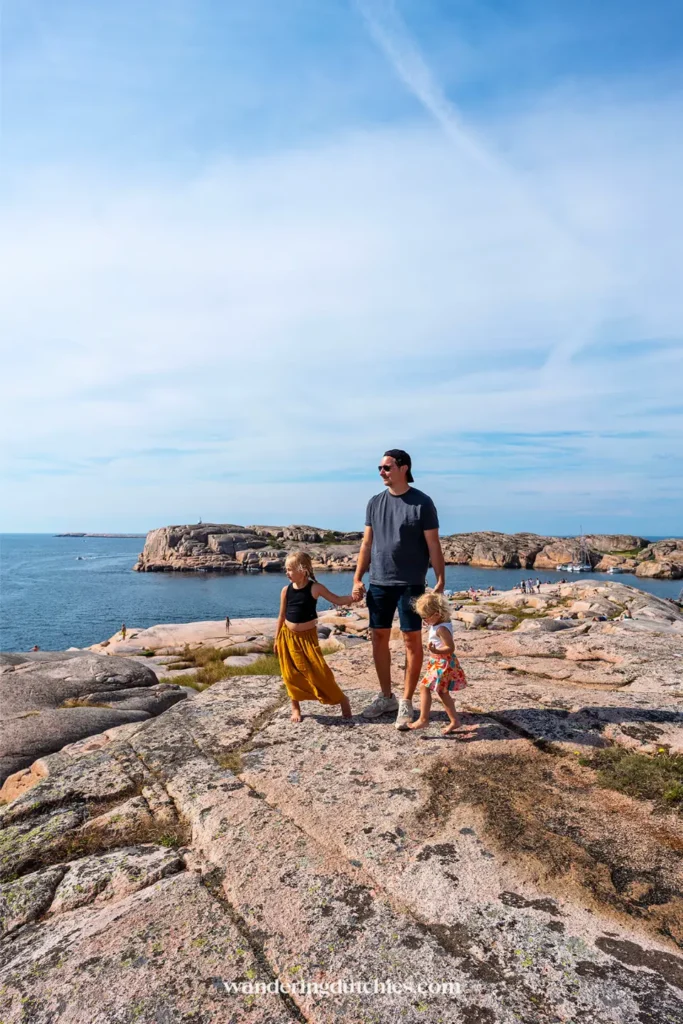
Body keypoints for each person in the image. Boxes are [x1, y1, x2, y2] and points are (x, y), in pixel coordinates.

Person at [352, 449, 445, 730]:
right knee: (378, 637)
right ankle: (386, 697)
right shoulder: (374, 503)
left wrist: (440, 579)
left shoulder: (422, 503)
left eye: (386, 467)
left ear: (403, 468)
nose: (382, 472)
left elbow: (433, 545)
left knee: (410, 642)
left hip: (411, 584)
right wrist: (358, 578)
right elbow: (367, 544)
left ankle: (406, 702)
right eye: (379, 468)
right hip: (379, 582)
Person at [275, 551, 353, 723]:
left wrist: (353, 598)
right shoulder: (285, 590)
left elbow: (337, 600)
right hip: (287, 636)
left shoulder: (315, 588)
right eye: (286, 569)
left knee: (320, 673)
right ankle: (295, 707)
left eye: (290, 569)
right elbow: (281, 616)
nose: (286, 573)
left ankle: (342, 700)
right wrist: (276, 639)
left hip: (307, 638)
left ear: (303, 570)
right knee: (290, 675)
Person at [407, 592, 469, 736]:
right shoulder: (441, 622)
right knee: (442, 692)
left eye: (425, 618)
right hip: (438, 661)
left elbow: (450, 647)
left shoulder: (441, 628)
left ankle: (423, 719)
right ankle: (455, 721)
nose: (424, 621)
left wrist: (436, 650)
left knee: (424, 687)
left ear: (436, 614)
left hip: (442, 662)